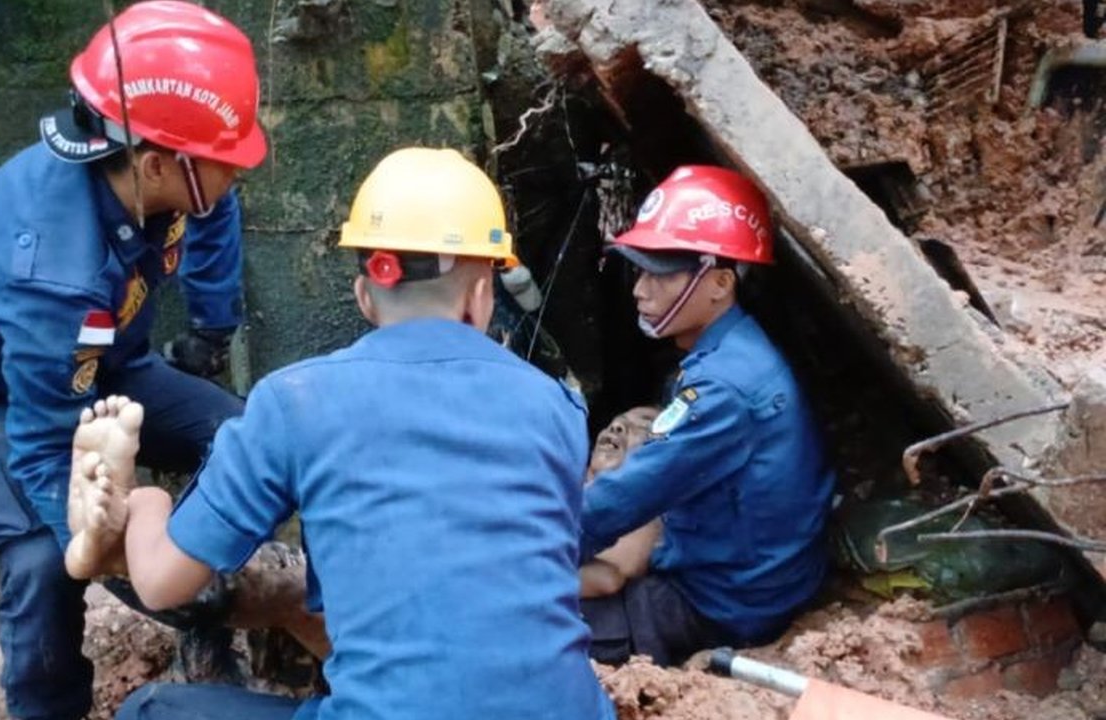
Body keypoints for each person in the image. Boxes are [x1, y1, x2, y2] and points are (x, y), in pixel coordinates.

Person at [69, 147, 616, 720]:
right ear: (482, 298)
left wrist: (148, 502)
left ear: (364, 297)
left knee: (151, 710)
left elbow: (160, 585)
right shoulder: (558, 407)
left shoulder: (294, 401)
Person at [0, 3, 290, 718]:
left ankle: (218, 628)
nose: (240, 170)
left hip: (98, 360)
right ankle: (50, 706)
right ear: (158, 163)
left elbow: (216, 213)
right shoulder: (55, 273)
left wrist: (210, 333)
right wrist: (128, 566)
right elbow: (41, 451)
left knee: (248, 438)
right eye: (229, 160)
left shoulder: (175, 170)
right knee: (43, 561)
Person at [579, 165, 835, 667]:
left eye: (662, 274)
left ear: (719, 283)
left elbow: (630, 494)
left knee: (536, 629)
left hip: (726, 601)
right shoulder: (732, 351)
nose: (639, 291)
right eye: (640, 271)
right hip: (749, 565)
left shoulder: (725, 389)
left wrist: (530, 545)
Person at [579, 406, 661, 599]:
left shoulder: (648, 511)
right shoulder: (551, 481)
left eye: (644, 426)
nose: (616, 427)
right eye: (615, 421)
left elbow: (606, 578)